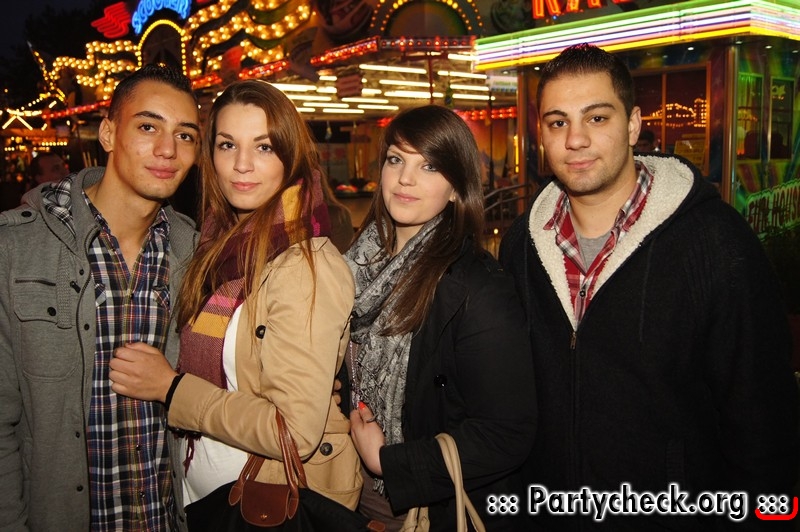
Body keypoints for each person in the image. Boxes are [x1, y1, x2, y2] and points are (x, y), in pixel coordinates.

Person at [499, 43, 798, 530]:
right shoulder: (522, 245)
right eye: (557, 122)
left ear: (634, 125)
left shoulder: (714, 242)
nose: (575, 139)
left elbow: (763, 421)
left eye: (597, 118)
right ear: (541, 135)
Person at [107, 79, 361, 530]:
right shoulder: (213, 245)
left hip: (264, 502)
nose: (242, 165)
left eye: (264, 147)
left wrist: (172, 389)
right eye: (228, 145)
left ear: (290, 156)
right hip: (200, 496)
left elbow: (294, 432)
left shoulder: (303, 265)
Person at [0, 64, 200, 530]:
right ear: (108, 133)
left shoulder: (193, 251)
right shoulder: (18, 248)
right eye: (148, 127)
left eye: (185, 135)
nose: (168, 150)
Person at [346, 104, 536, 531]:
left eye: (429, 166)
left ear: (455, 188)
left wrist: (388, 461)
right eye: (396, 159)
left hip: (423, 510)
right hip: (349, 489)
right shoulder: (355, 265)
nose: (405, 178)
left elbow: (507, 432)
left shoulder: (477, 289)